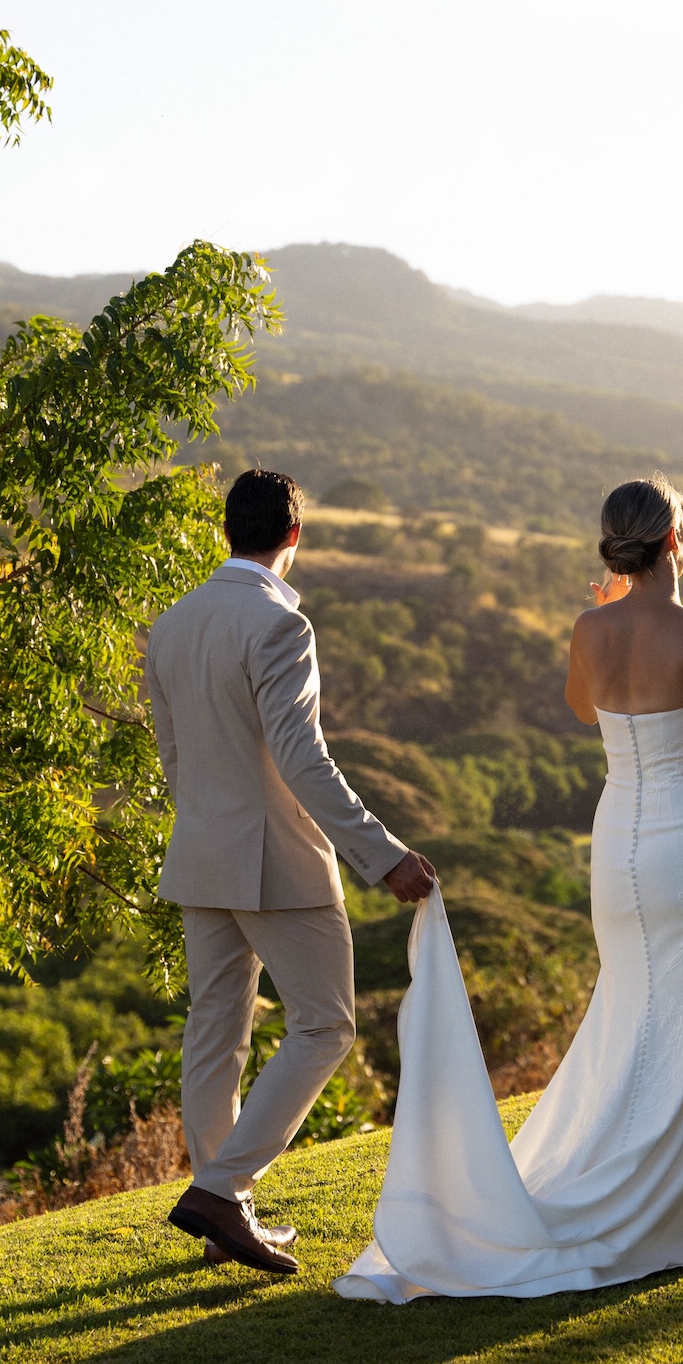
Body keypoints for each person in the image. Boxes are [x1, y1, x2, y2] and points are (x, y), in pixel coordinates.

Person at [336, 472, 683, 1302]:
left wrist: (607, 612)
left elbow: (584, 710)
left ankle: (663, 1186)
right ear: (676, 543)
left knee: (636, 1008)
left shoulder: (589, 627)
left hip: (618, 841)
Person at [147, 468, 435, 1276]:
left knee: (214, 1034)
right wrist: (381, 856)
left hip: (200, 852)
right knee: (325, 1024)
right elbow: (304, 761)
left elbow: (173, 759)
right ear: (294, 537)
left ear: (227, 532)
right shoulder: (279, 625)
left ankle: (221, 1213)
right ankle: (222, 1190)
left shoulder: (171, 625)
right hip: (276, 859)